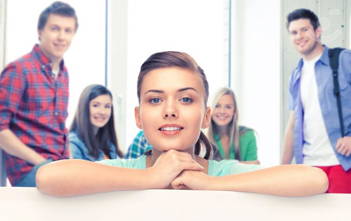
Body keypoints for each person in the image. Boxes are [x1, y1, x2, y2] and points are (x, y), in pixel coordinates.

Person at [36, 51, 328, 197]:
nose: (170, 111)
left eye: (186, 100)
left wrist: (210, 183)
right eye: (155, 100)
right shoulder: (128, 171)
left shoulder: (221, 173)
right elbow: (49, 178)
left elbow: (315, 180)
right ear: (139, 117)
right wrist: (151, 179)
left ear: (205, 116)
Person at [0, 1, 78, 186]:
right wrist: (42, 163)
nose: (61, 37)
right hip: (30, 170)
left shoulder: (63, 73)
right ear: (40, 31)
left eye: (68, 31)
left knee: (102, 179)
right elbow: (1, 130)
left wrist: (70, 162)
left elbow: (60, 128)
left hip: (57, 166)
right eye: (54, 29)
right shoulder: (19, 70)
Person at [281, 8, 351, 193]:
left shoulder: (343, 59)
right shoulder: (295, 75)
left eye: (304, 29)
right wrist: (282, 167)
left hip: (342, 163)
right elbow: (292, 124)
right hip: (309, 166)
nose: (299, 36)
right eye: (294, 32)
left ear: (317, 31)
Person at [69, 84, 123, 161]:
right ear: (84, 107)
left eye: (107, 106)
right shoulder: (73, 144)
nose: (102, 112)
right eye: (95, 105)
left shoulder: (108, 143)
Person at [207, 87, 258, 163]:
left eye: (228, 107)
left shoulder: (248, 135)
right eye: (217, 106)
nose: (222, 111)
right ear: (210, 110)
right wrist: (243, 165)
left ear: (234, 111)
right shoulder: (203, 139)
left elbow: (253, 170)